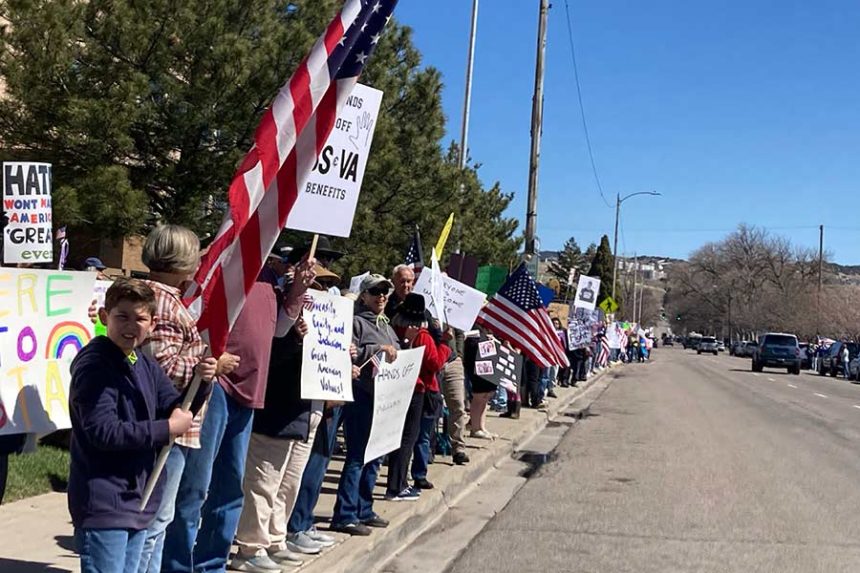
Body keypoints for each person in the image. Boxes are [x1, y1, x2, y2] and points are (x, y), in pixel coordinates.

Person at [161, 257, 316, 573]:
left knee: (230, 488)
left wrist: (297, 289)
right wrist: (210, 359)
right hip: (217, 385)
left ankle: (211, 564)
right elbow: (195, 315)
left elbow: (278, 329)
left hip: (250, 390)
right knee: (195, 486)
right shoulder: (228, 261)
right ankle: (176, 565)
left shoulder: (270, 279)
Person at [68, 278, 216, 573]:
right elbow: (103, 431)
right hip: (105, 501)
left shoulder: (141, 362)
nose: (131, 326)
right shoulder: (95, 367)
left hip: (138, 498)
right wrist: (166, 429)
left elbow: (174, 406)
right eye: (122, 317)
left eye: (140, 319)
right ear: (104, 317)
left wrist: (202, 382)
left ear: (152, 324)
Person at [137, 225, 240, 573]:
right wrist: (210, 366)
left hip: (166, 423)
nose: (199, 261)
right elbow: (162, 369)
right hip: (167, 422)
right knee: (154, 521)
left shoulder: (159, 296)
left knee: (158, 520)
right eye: (195, 253)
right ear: (181, 258)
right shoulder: (163, 302)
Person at [330, 274, 399, 536]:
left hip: (383, 400)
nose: (381, 296)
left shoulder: (387, 325)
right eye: (375, 292)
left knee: (375, 456)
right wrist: (378, 348)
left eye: (385, 292)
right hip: (362, 396)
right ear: (365, 295)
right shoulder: (356, 322)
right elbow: (349, 353)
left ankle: (364, 507)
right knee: (357, 456)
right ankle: (345, 514)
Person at [387, 294, 450, 495]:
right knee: (413, 437)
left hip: (396, 388)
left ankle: (399, 481)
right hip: (419, 389)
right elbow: (434, 363)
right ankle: (401, 483)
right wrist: (445, 345)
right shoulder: (422, 336)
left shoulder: (392, 330)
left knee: (401, 438)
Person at [463, 332, 498, 440]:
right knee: (479, 394)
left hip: (486, 348)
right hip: (474, 348)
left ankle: (481, 427)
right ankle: (475, 428)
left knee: (486, 394)